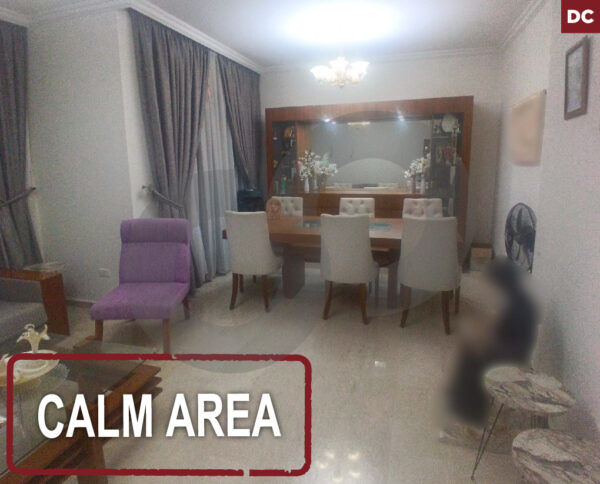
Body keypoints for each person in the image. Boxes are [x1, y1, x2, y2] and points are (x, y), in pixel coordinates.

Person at [446, 257, 538, 424]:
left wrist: (481, 341)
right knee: (469, 346)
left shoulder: (517, 306)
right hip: (511, 347)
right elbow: (499, 328)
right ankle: (463, 400)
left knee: (470, 354)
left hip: (514, 355)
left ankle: (472, 410)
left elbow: (504, 336)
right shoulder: (517, 299)